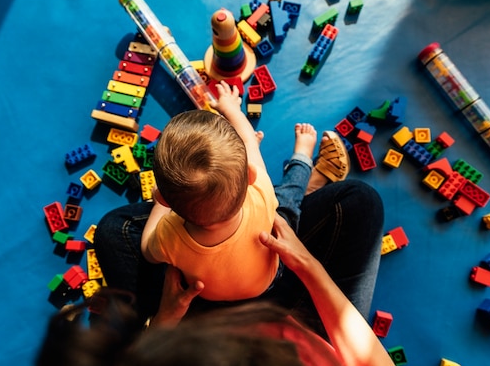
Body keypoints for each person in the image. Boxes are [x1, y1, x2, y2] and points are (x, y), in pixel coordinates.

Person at [24, 214, 405, 366]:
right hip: (302, 324)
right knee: (357, 203)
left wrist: (166, 319)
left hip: (210, 322)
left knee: (115, 233)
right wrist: (307, 265)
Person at [139, 80, 349, 302]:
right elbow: (247, 137)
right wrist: (230, 108)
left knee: (284, 198)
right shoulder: (260, 191)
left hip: (214, 299)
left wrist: (159, 207)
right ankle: (303, 159)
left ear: (164, 199)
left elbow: (146, 250)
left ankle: (304, 170)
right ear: (250, 175)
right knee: (288, 197)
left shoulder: (169, 237)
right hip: (270, 276)